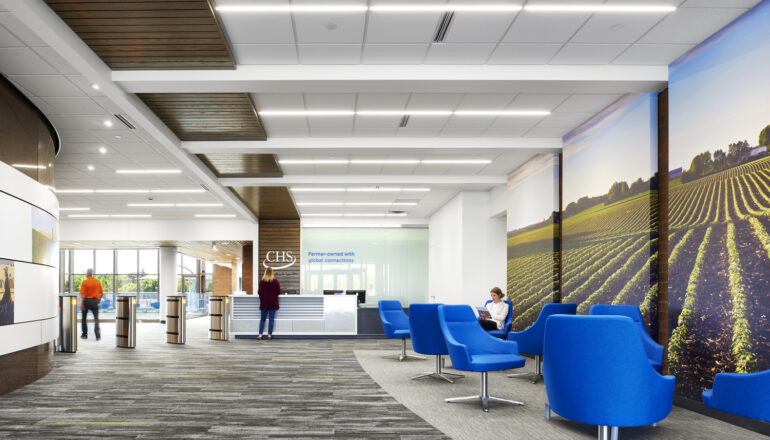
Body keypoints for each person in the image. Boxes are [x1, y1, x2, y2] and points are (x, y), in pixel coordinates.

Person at [257, 267, 280, 340]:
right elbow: (278, 292)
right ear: (272, 273)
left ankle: (260, 335)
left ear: (265, 272)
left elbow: (259, 292)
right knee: (271, 319)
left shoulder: (261, 281)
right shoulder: (276, 281)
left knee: (262, 319)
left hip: (264, 303)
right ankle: (269, 335)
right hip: (272, 303)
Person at [80, 269, 103, 340]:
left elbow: (83, 294)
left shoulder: (85, 282)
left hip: (86, 301)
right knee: (96, 319)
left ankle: (84, 334)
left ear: (87, 274)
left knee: (84, 318)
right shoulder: (97, 281)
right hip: (95, 302)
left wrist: (82, 303)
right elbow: (101, 293)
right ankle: (97, 335)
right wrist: (98, 301)